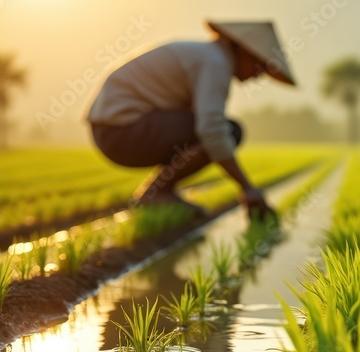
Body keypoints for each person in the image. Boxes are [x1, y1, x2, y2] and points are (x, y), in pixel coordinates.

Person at [86, 20, 296, 218]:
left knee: (219, 130)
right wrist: (247, 187)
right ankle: (156, 194)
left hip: (114, 129)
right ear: (243, 49)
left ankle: (157, 192)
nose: (258, 75)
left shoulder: (208, 56)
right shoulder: (215, 62)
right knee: (229, 131)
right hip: (121, 130)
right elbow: (211, 129)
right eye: (259, 64)